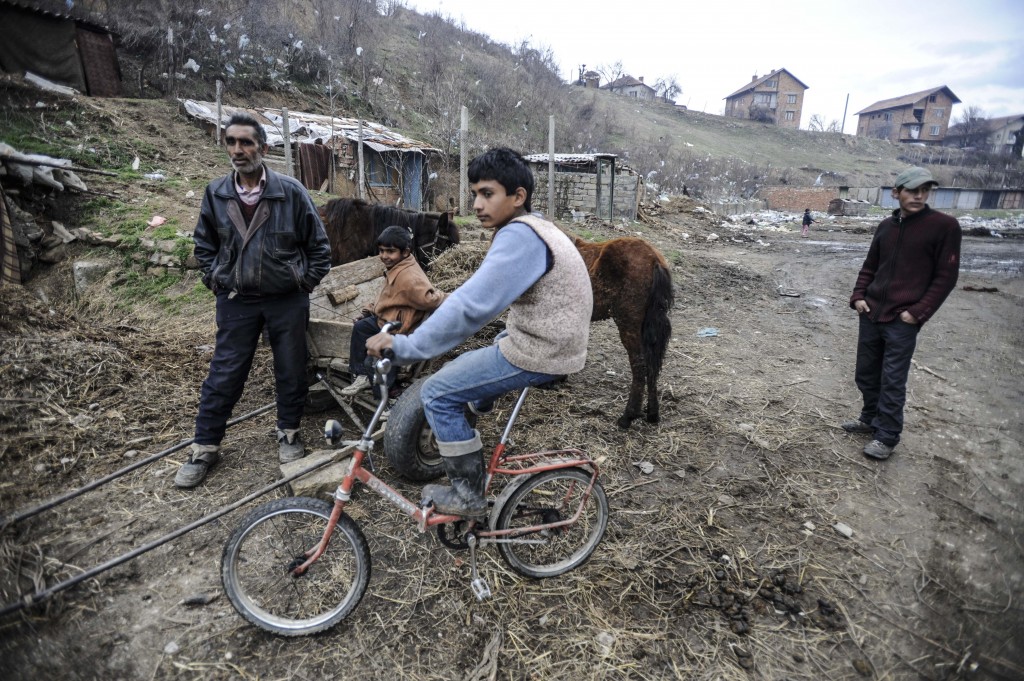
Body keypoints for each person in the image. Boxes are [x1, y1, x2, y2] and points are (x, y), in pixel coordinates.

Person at [367, 147, 593, 516]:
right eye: (474, 194)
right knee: (471, 362)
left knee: (438, 392)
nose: (476, 204)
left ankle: (467, 496)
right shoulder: (535, 227)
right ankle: (476, 403)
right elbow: (482, 294)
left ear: (518, 197)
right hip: (547, 339)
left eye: (487, 194)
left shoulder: (520, 236)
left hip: (542, 348)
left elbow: (472, 305)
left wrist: (408, 345)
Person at [176, 112, 332, 488]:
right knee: (225, 372)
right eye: (231, 142)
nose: (238, 150)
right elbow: (204, 245)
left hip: (285, 300)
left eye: (246, 142)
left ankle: (289, 434)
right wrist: (218, 280)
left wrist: (301, 283)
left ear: (263, 147)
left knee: (291, 369)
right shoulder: (217, 193)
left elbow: (319, 248)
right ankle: (205, 447)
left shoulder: (290, 191)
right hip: (237, 299)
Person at [843, 166, 961, 460]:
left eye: (925, 191)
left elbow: (946, 276)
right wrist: (858, 296)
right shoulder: (886, 226)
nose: (919, 196)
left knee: (893, 379)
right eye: (912, 190)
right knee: (866, 374)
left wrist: (918, 313)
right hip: (871, 312)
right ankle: (870, 418)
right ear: (896, 193)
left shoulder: (944, 226)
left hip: (903, 319)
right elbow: (871, 265)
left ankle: (887, 436)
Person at [340, 225, 446, 397]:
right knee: (361, 327)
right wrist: (368, 310)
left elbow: (428, 299)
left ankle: (386, 395)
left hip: (397, 327)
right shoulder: (398, 267)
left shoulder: (408, 276)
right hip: (386, 319)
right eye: (381, 251)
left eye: (390, 251)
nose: (384, 256)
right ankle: (360, 375)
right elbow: (385, 297)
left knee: (375, 360)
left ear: (405, 252)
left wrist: (444, 295)